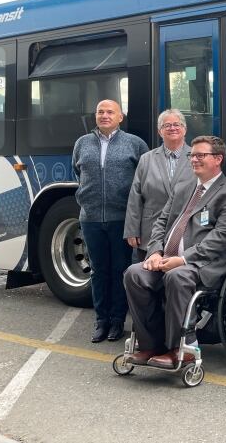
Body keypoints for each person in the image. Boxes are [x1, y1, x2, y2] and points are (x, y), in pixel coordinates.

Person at [122, 135, 226, 368]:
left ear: (218, 159)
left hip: (204, 264)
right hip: (168, 258)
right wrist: (155, 253)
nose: (194, 159)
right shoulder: (183, 187)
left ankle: (181, 348)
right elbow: (160, 223)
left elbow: (220, 240)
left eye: (201, 155)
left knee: (176, 276)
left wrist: (182, 259)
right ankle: (150, 344)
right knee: (134, 273)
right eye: (192, 155)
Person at [72, 99, 149, 343]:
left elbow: (144, 179)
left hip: (122, 219)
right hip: (91, 218)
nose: (104, 115)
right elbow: (77, 171)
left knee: (120, 270)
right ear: (95, 116)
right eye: (100, 112)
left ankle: (117, 321)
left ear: (120, 117)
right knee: (98, 271)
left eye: (110, 112)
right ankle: (101, 321)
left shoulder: (135, 144)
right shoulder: (82, 143)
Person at [124, 110, 195, 263]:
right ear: (159, 131)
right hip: (150, 232)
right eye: (166, 125)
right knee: (147, 277)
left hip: (185, 232)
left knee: (177, 278)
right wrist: (132, 230)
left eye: (177, 124)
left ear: (185, 129)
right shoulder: (146, 159)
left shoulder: (196, 157)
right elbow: (135, 196)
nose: (172, 128)